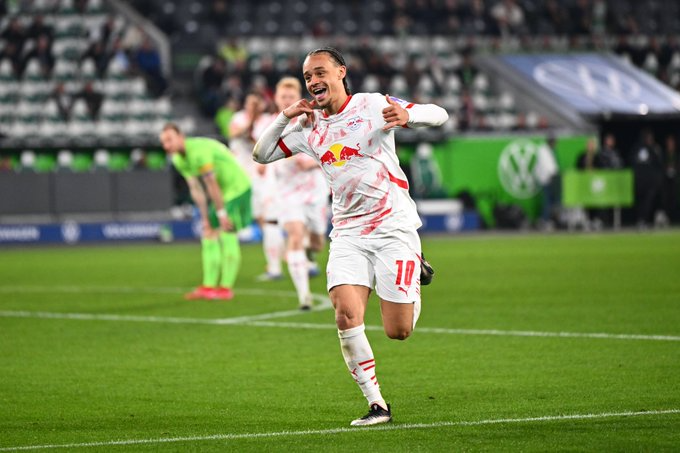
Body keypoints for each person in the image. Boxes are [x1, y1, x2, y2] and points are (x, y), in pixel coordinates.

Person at [253, 47, 446, 426]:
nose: (313, 81)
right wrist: (284, 116)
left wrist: (409, 116)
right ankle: (377, 405)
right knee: (344, 313)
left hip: (393, 227)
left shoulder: (372, 105)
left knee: (398, 331)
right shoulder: (309, 126)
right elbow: (261, 155)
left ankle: (415, 267)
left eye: (319, 72)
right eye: (308, 77)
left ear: (341, 72)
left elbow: (440, 113)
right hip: (348, 232)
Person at [253, 76, 329, 309]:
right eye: (282, 96)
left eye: (291, 96)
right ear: (276, 98)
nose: (286, 100)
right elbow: (261, 152)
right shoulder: (267, 124)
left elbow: (328, 152)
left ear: (298, 97)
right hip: (286, 191)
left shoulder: (313, 118)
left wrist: (311, 163)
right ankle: (304, 296)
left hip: (314, 189)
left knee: (316, 242)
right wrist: (262, 165)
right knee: (295, 235)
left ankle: (309, 253)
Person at [159, 123, 252, 300]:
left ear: (181, 136)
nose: (166, 145)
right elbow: (196, 189)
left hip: (237, 189)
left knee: (227, 231)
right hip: (222, 193)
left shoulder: (198, 152)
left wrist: (221, 214)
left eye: (169, 140)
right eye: (163, 142)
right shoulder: (178, 159)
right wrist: (204, 218)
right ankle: (208, 286)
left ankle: (225, 289)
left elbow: (211, 184)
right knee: (208, 233)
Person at [230, 92, 285, 281]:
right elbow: (234, 133)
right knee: (261, 219)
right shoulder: (238, 118)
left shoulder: (267, 121)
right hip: (241, 177)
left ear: (262, 105)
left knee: (268, 219)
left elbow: (262, 145)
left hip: (262, 177)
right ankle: (280, 257)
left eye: (256, 103)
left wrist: (254, 122)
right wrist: (251, 120)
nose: (252, 106)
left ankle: (277, 264)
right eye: (249, 102)